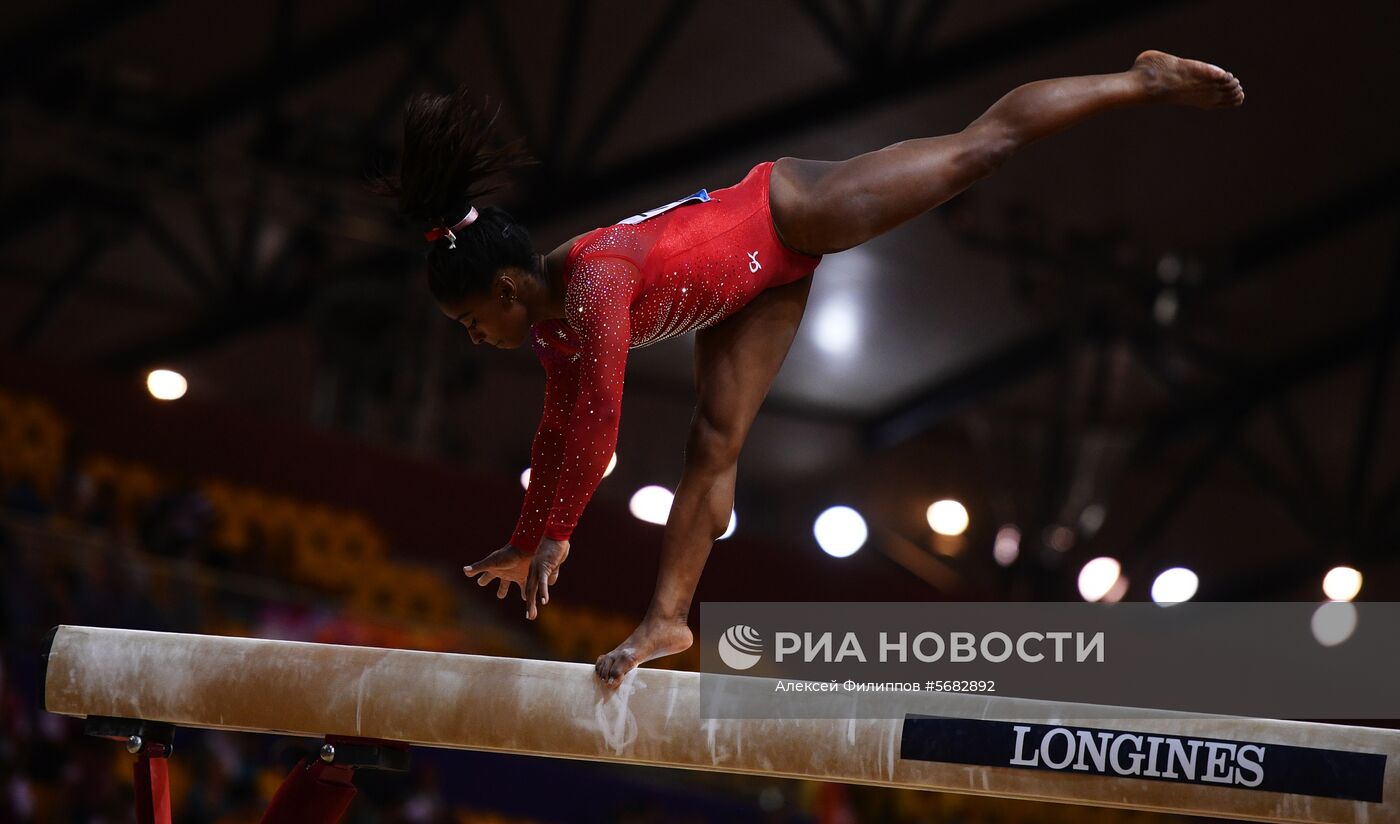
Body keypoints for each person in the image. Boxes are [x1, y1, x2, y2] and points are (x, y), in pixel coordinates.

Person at [376, 51, 1244, 688]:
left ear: (502, 287)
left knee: (980, 150)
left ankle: (1139, 81)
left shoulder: (594, 287)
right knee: (712, 445)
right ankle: (668, 621)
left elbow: (601, 415)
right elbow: (558, 427)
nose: (472, 338)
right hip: (743, 300)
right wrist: (530, 534)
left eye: (466, 321)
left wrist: (557, 532)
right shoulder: (555, 326)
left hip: (789, 216)